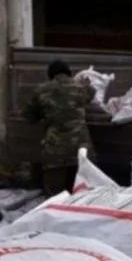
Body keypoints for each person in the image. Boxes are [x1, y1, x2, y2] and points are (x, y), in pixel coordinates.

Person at [22, 60, 96, 197]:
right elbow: (92, 94)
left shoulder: (41, 90)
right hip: (80, 151)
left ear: (50, 74)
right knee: (82, 195)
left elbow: (29, 117)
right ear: (69, 72)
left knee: (55, 196)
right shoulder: (81, 88)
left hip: (54, 151)